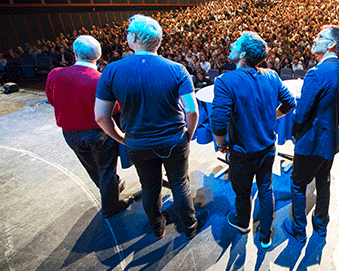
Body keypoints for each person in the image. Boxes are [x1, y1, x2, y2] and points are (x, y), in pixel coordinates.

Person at [94, 14, 206, 240]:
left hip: (137, 142)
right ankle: (190, 226)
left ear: (134, 38)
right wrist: (188, 135)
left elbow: (100, 117)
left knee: (149, 187)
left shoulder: (112, 70)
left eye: (128, 34)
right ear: (158, 41)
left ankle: (158, 227)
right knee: (179, 183)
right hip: (173, 140)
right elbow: (192, 110)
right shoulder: (176, 69)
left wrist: (122, 138)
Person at [211, 31, 295, 249]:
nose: (231, 44)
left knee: (242, 190)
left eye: (236, 43)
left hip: (242, 151)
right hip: (267, 147)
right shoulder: (272, 76)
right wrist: (271, 116)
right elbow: (289, 103)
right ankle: (265, 236)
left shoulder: (225, 81)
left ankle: (242, 223)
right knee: (266, 189)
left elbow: (218, 122)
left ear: (243, 54)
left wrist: (221, 145)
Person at [45, 35, 133, 218]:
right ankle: (111, 206)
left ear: (75, 53)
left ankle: (109, 189)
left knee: (91, 167)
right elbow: (114, 108)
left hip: (70, 134)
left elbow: (52, 100)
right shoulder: (100, 80)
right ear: (99, 56)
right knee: (106, 169)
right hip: (98, 133)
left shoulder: (55, 74)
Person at [283, 25, 339, 243]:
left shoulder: (316, 73)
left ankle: (299, 230)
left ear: (331, 44)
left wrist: (294, 133)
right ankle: (320, 226)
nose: (314, 39)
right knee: (323, 182)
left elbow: (301, 112)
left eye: (320, 36)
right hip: (329, 141)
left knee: (298, 184)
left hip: (311, 142)